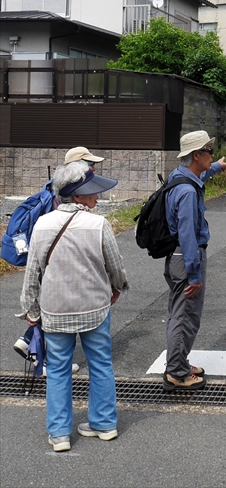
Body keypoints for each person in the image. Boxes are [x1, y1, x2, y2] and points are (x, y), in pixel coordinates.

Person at [19, 162, 130, 452]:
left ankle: (59, 434)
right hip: (95, 307)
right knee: (101, 364)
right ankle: (104, 424)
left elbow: (32, 274)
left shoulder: (43, 225)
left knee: (57, 369)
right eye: (92, 192)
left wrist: (31, 311)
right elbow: (115, 267)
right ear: (77, 196)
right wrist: (116, 288)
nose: (98, 197)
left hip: (55, 311)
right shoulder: (99, 225)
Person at [11, 146, 104, 371]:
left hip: (47, 259)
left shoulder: (54, 189)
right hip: (54, 261)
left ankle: (33, 347)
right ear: (76, 167)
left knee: (48, 307)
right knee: (53, 307)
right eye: (89, 164)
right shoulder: (60, 197)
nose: (93, 168)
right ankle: (39, 354)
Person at [162, 130, 226, 391]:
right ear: (196, 155)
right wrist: (195, 274)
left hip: (175, 255)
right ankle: (177, 373)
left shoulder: (179, 177)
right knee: (185, 316)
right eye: (209, 151)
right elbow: (188, 234)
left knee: (180, 312)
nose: (212, 155)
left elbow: (201, 173)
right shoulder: (188, 192)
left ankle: (178, 362)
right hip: (186, 256)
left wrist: (217, 167)